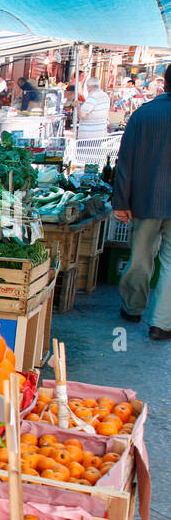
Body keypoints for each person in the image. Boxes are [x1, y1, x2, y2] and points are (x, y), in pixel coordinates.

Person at [113, 65, 171, 339]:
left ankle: (133, 308)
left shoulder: (144, 114)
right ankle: (161, 324)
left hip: (147, 200)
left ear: (164, 83)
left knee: (140, 257)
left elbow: (125, 161)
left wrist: (121, 201)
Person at [75, 77, 110, 145]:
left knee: (84, 155)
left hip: (89, 136)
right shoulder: (105, 96)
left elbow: (82, 114)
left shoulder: (93, 97)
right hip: (101, 134)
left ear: (88, 87)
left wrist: (78, 106)